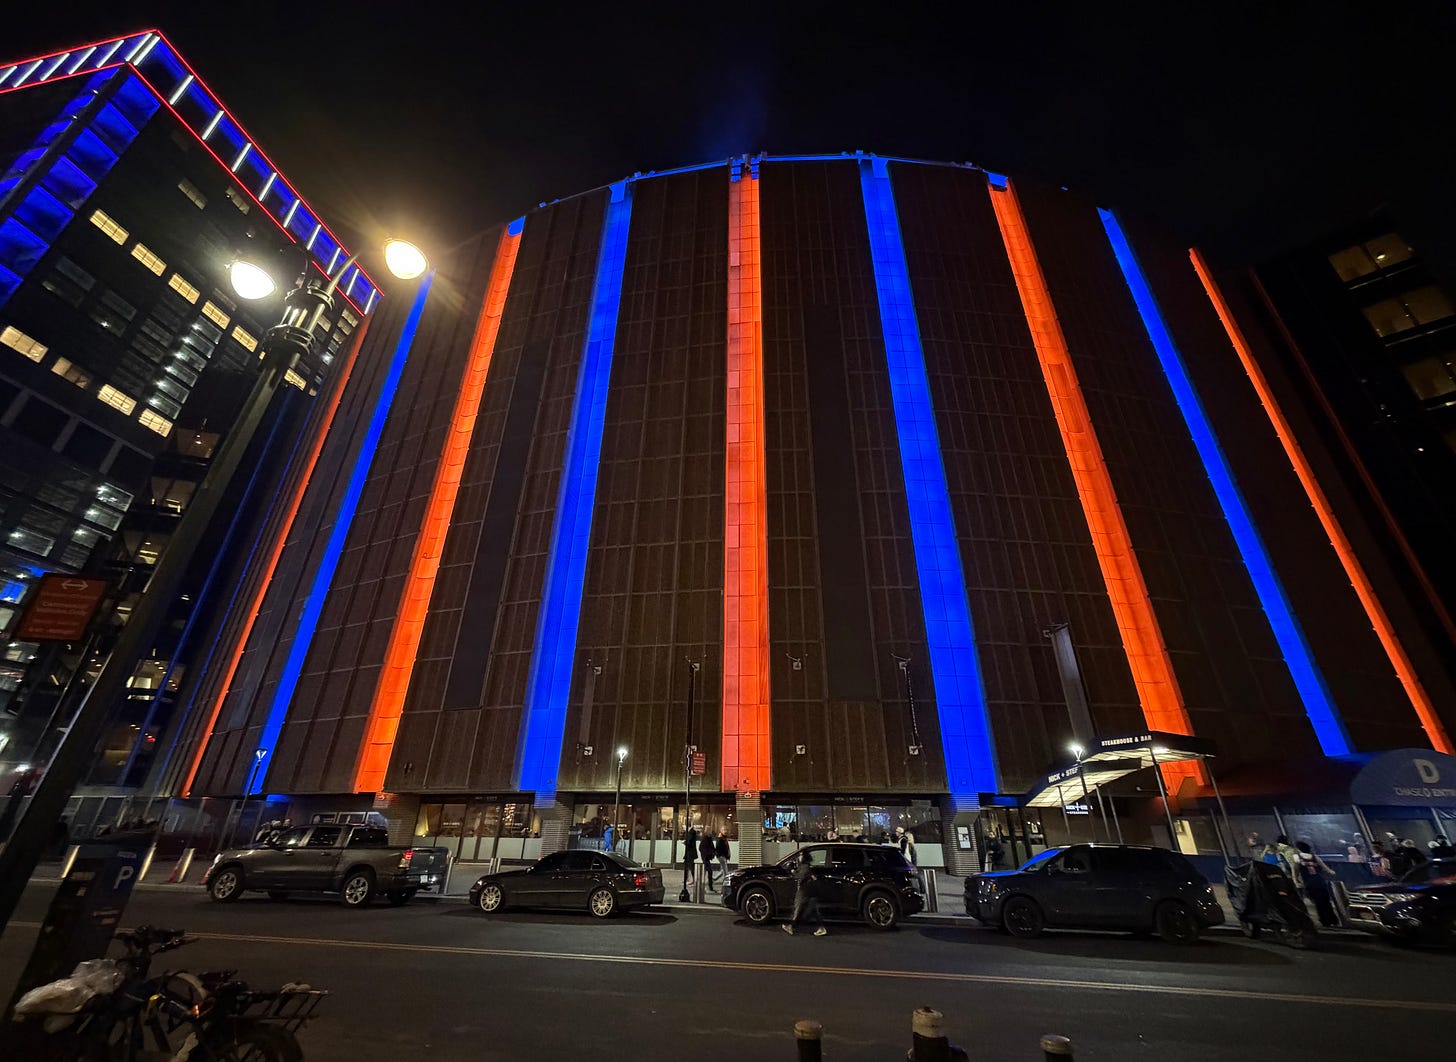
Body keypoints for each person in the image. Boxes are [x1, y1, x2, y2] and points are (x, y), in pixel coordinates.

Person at [1294, 841, 1339, 928]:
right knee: (1326, 901)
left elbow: (1295, 870)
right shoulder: (1315, 857)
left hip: (1309, 883)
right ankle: (1333, 919)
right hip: (1320, 881)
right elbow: (1326, 869)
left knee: (1318, 902)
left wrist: (1296, 880)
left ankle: (1324, 920)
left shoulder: (1297, 858)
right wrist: (1333, 873)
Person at [783, 852, 827, 936]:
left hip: (805, 889)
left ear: (804, 857)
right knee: (813, 909)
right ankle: (821, 928)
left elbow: (800, 876)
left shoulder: (805, 866)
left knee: (798, 907)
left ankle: (791, 926)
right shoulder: (806, 866)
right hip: (811, 889)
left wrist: (792, 870)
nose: (799, 857)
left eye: (801, 855)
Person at [682, 824, 698, 889]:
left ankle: (694, 880)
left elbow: (689, 842)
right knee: (687, 866)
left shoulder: (691, 832)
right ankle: (687, 879)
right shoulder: (691, 832)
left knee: (691, 867)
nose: (683, 828)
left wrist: (684, 842)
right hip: (689, 853)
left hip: (690, 853)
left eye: (684, 826)